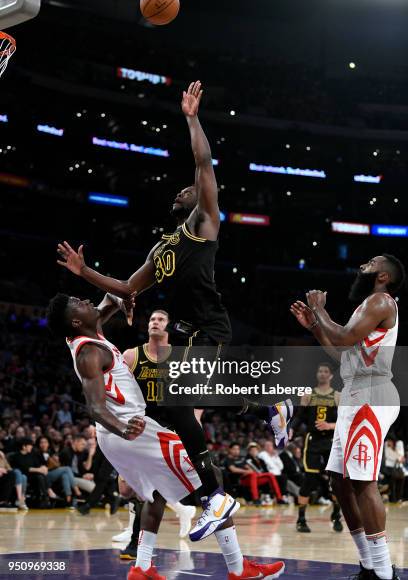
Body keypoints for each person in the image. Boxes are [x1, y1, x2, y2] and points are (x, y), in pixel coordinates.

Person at [56, 81, 292, 533]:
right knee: (178, 405)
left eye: (192, 188)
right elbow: (127, 287)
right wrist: (85, 273)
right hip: (185, 328)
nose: (189, 189)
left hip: (209, 322)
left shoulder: (204, 221)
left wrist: (192, 118)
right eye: (183, 189)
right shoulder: (159, 249)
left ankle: (224, 485)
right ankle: (234, 463)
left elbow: (203, 162)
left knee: (183, 398)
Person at [46, 292, 286, 580]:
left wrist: (96, 278)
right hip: (131, 429)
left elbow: (115, 296)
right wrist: (123, 428)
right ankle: (238, 568)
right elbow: (95, 407)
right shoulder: (91, 352)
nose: (86, 301)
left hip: (123, 433)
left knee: (156, 493)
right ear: (75, 320)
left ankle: (143, 566)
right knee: (213, 478)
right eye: (79, 303)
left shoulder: (85, 333)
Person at [291, 254, 405, 580]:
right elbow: (342, 352)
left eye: (370, 263)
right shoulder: (365, 308)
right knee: (339, 482)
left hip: (372, 395)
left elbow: (342, 337)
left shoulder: (382, 301)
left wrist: (320, 311)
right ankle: (368, 565)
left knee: (363, 482)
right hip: (355, 394)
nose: (362, 266)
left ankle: (383, 573)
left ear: (384, 276)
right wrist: (315, 326)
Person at [114, 308, 196, 550]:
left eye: (160, 319)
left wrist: (195, 419)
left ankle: (136, 543)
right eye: (151, 319)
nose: (155, 322)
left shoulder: (181, 357)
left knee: (148, 489)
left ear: (168, 326)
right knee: (126, 489)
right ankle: (182, 511)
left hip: (170, 428)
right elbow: (119, 393)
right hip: (141, 427)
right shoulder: (131, 356)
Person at [289, 363, 342, 533]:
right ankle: (301, 519)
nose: (322, 373)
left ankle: (336, 515)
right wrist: (291, 430)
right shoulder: (308, 394)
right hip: (312, 441)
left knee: (336, 481)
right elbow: (299, 417)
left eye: (326, 371)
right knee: (309, 479)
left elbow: (345, 422)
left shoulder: (338, 396)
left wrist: (329, 425)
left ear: (331, 376)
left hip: (332, 441)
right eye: (320, 370)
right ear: (316, 374)